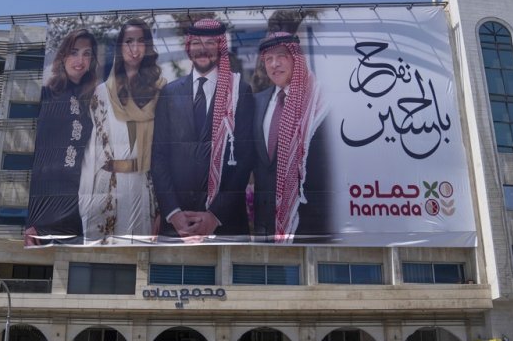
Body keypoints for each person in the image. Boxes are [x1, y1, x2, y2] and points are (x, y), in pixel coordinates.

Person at [151, 18, 254, 242]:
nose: (203, 49)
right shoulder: (170, 93)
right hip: (177, 226)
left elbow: (245, 159)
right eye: (196, 43)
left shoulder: (240, 92)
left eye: (210, 42)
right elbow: (158, 158)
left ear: (220, 47)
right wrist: (173, 213)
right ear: (188, 47)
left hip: (225, 224)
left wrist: (214, 215)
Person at [79, 19, 166, 244]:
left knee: (138, 260)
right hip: (107, 189)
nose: (134, 49)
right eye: (128, 42)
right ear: (119, 47)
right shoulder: (101, 93)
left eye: (141, 42)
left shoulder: (161, 90)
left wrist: (162, 209)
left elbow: (165, 151)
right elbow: (93, 152)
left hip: (144, 189)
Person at [252, 32, 330, 243]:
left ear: (296, 57)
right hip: (265, 227)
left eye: (281, 56)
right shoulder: (257, 102)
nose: (274, 64)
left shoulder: (320, 102)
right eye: (268, 59)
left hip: (312, 226)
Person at [25, 28, 99, 245]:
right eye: (74, 52)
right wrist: (31, 220)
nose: (80, 60)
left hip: (78, 206)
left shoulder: (94, 100)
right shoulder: (46, 95)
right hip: (43, 208)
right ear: (63, 55)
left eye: (87, 54)